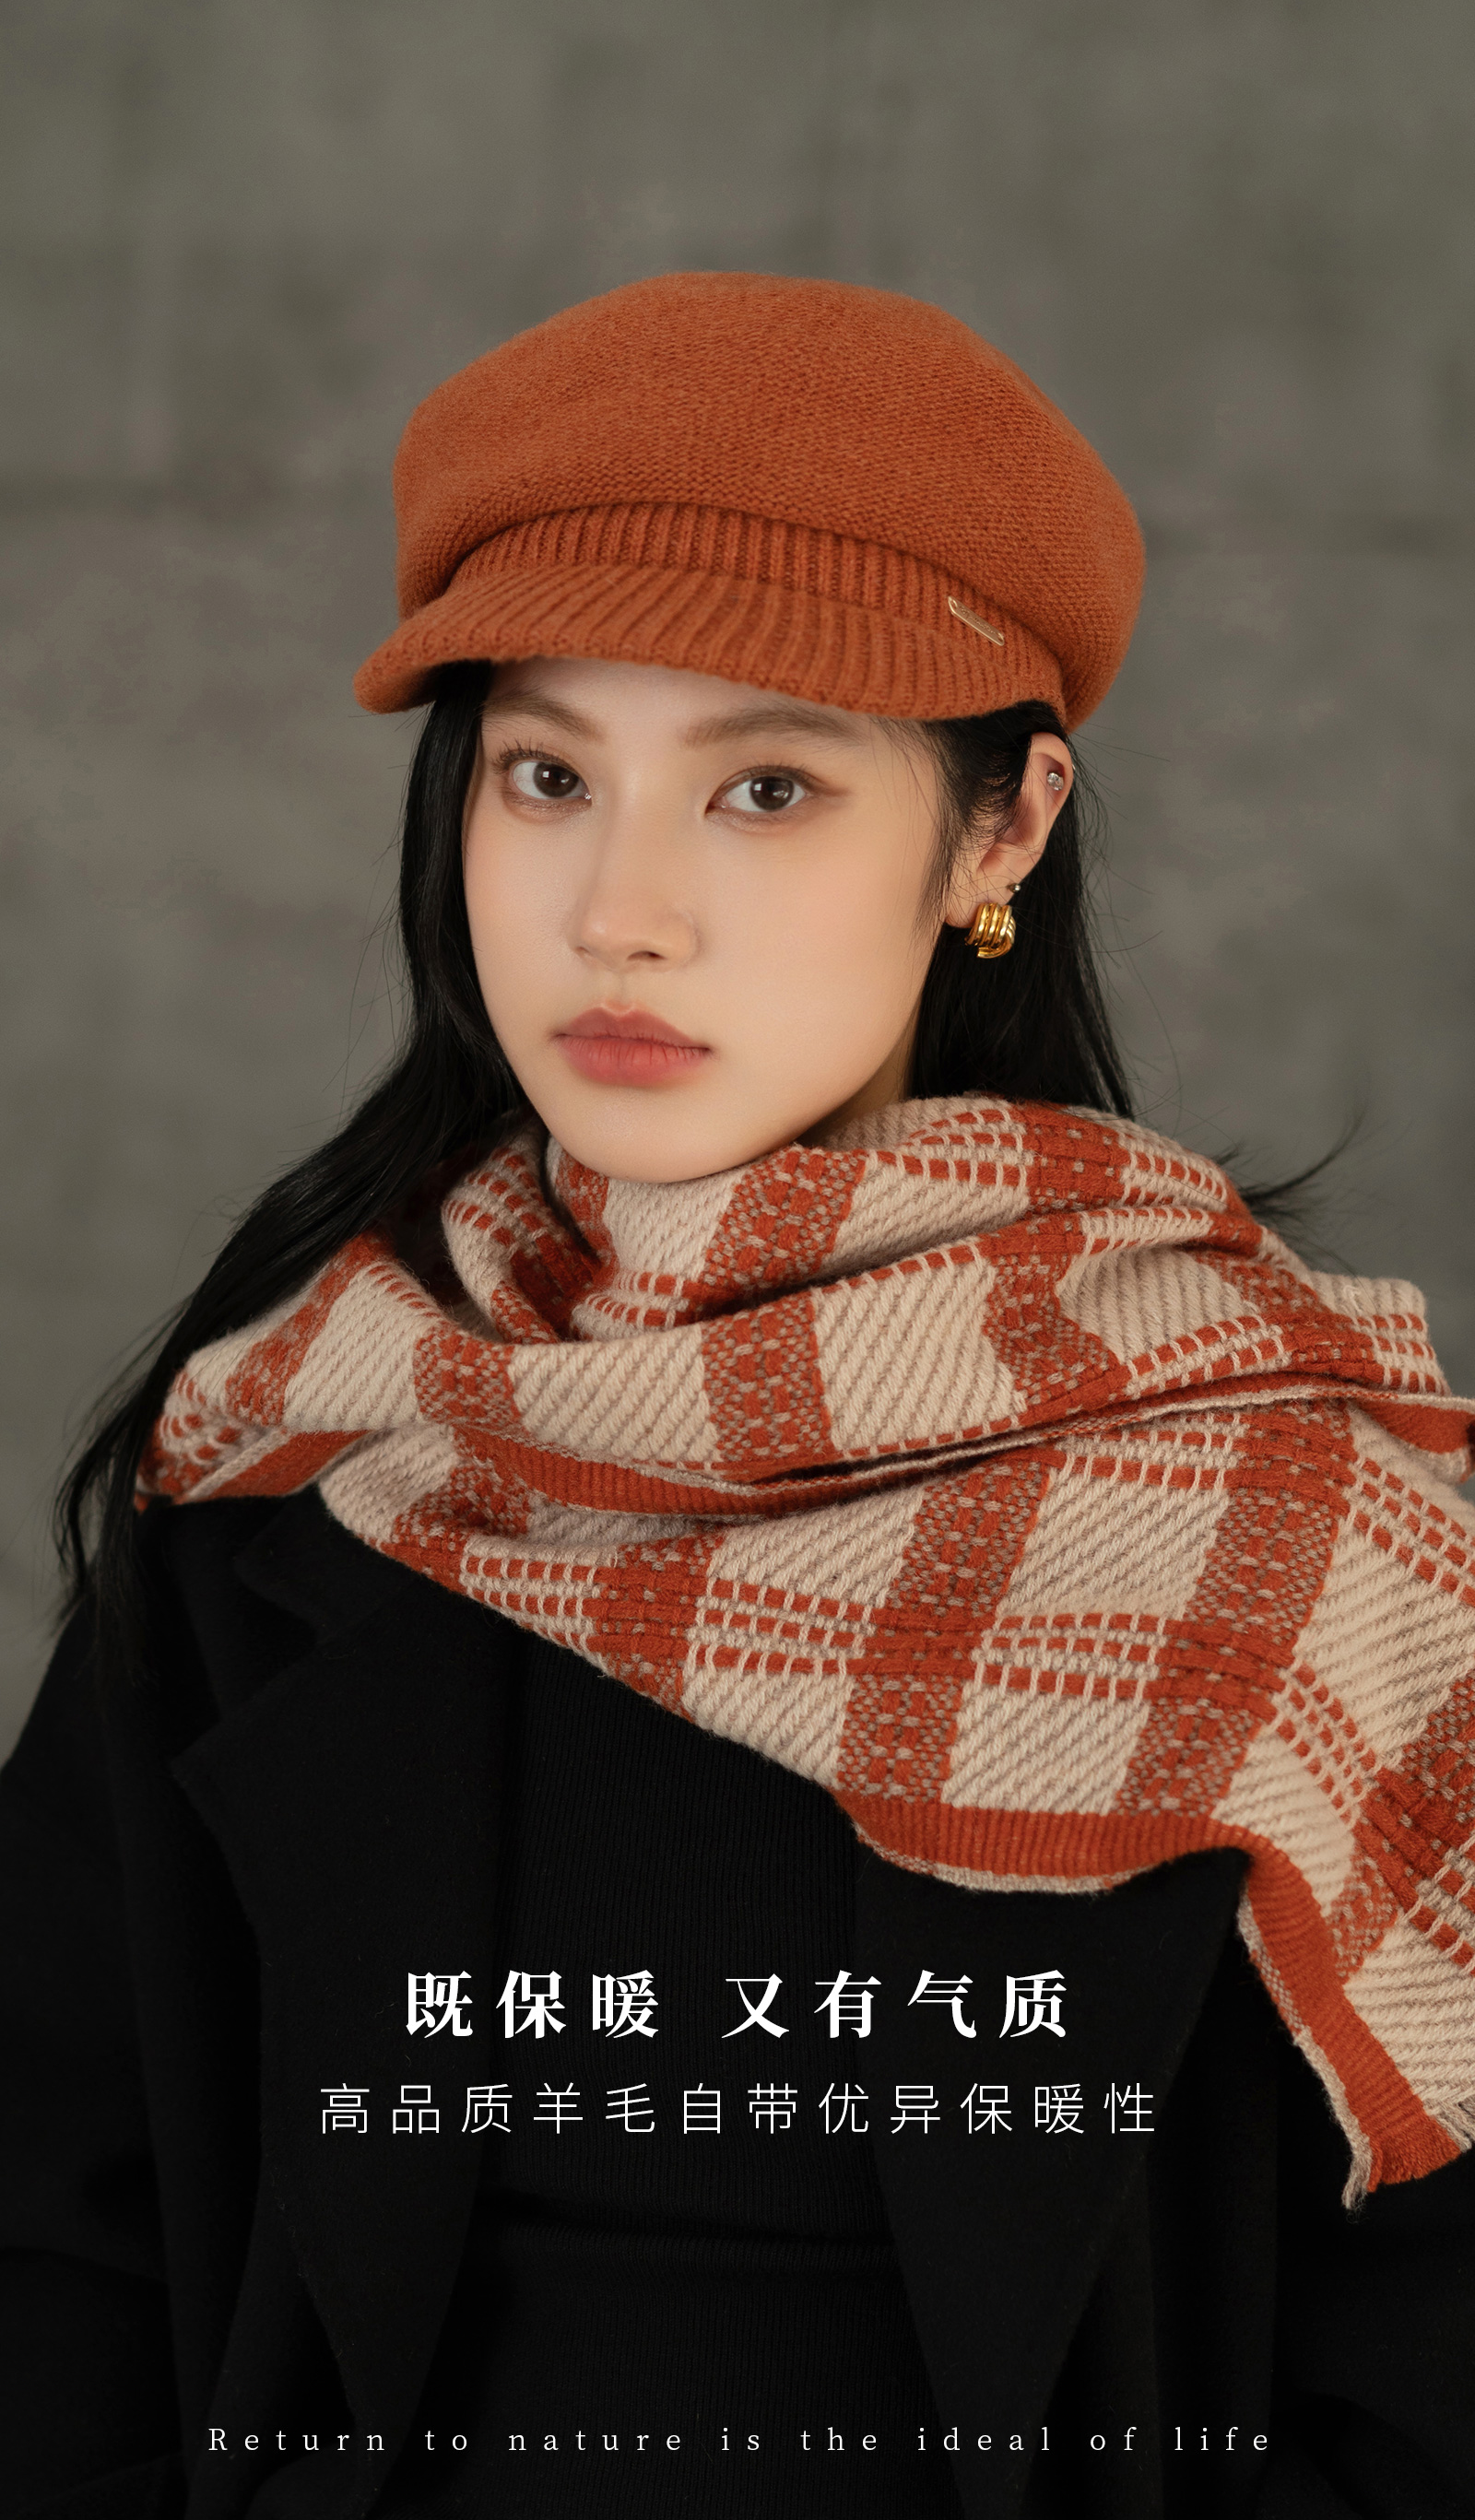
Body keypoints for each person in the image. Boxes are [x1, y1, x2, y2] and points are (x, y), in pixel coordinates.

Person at [3, 272, 1474, 2520]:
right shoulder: (312, 1451)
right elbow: (48, 2258)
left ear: (995, 836)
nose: (622, 911)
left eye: (764, 786)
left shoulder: (1279, 1525)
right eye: (545, 775)